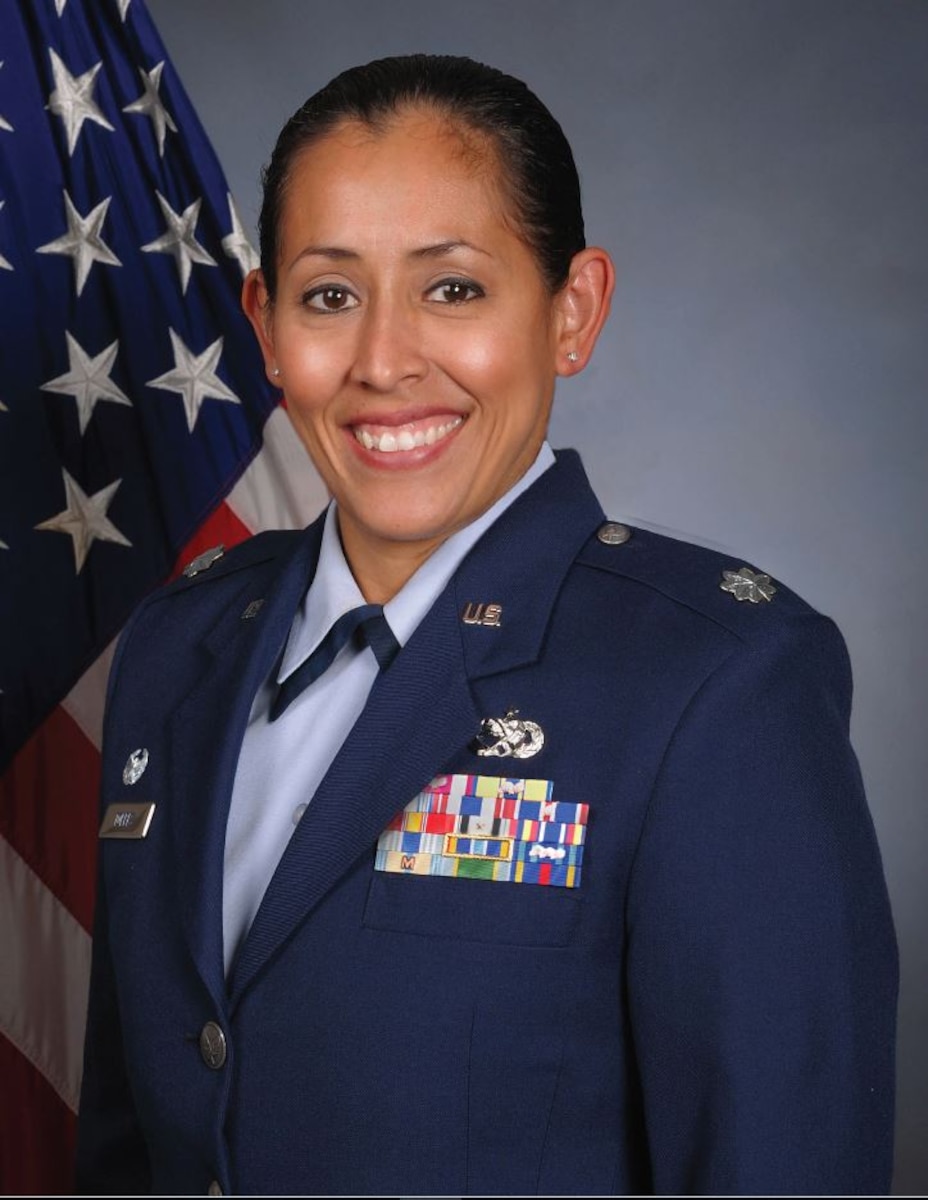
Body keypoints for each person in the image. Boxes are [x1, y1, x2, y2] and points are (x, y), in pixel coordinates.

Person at [75, 54, 898, 1196]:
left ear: (573, 311)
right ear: (263, 327)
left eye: (451, 288)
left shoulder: (715, 685)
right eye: (328, 294)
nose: (381, 361)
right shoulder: (177, 647)